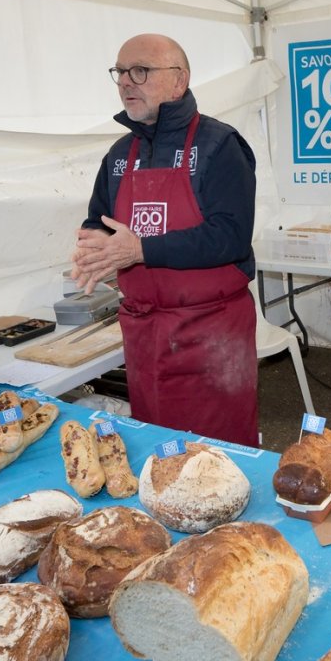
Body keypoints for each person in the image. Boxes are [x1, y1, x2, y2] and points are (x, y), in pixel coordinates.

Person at [71, 33, 259, 446]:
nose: (126, 81)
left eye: (140, 70)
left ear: (179, 80)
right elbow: (98, 220)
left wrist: (140, 249)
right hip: (145, 335)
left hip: (211, 334)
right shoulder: (119, 155)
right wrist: (94, 246)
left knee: (218, 455)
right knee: (159, 449)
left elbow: (230, 236)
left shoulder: (219, 145)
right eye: (120, 72)